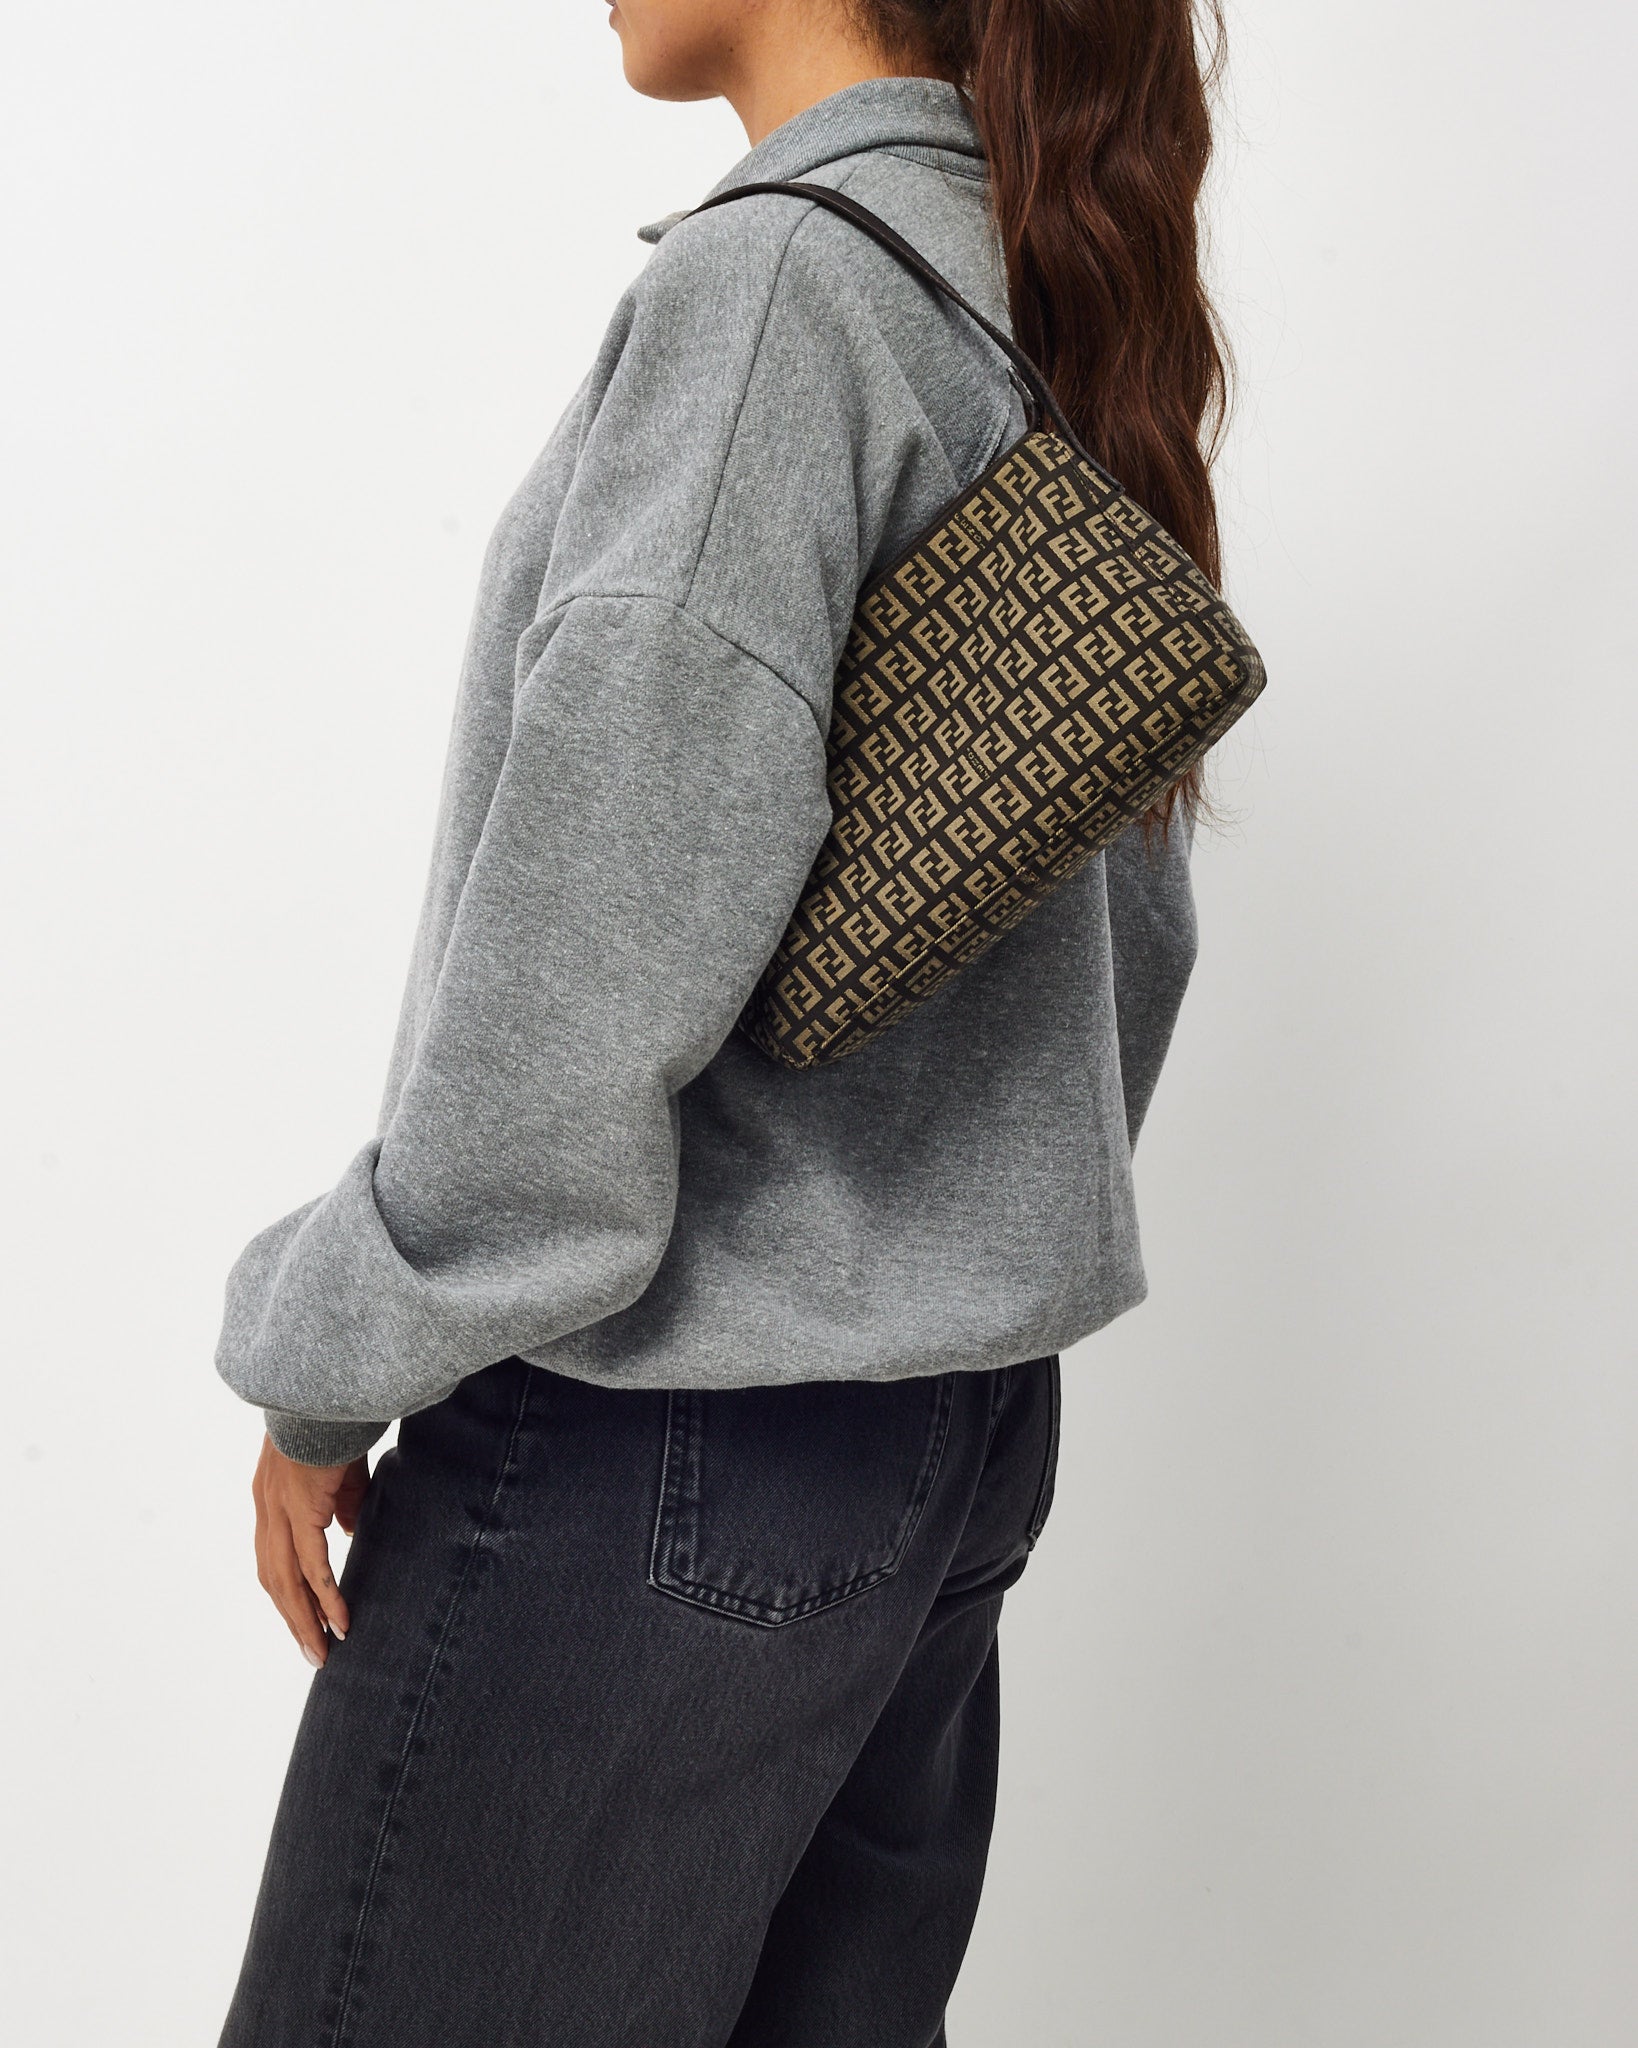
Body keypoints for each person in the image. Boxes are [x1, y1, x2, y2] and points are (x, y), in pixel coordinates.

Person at [215, 1, 1230, 2041]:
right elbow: (1138, 943)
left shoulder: (777, 292)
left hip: (669, 1437)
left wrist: (328, 1365)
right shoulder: (1029, 282)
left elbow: (593, 951)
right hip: (939, 1446)